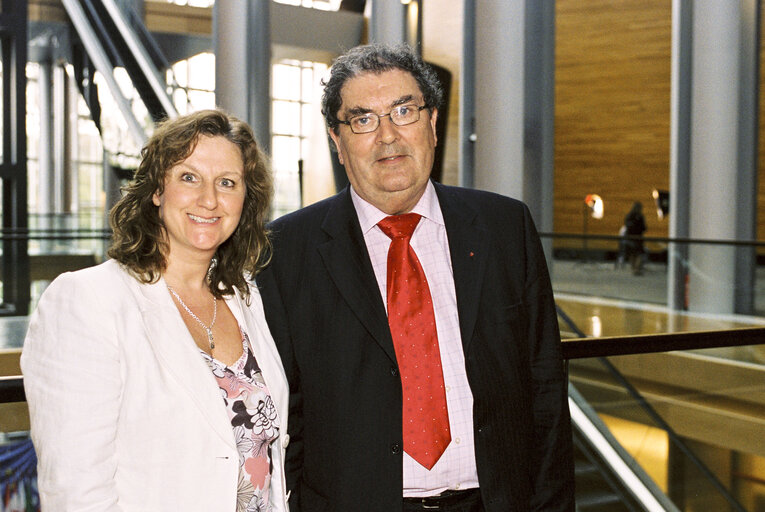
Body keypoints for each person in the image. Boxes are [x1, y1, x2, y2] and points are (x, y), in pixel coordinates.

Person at [257, 44, 574, 512]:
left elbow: (545, 389)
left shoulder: (505, 228)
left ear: (432, 123)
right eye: (363, 119)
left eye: (403, 111)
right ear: (337, 141)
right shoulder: (283, 252)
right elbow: (285, 418)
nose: (387, 136)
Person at [21, 109, 290, 512]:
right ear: (156, 191)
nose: (209, 199)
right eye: (189, 177)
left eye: (227, 182)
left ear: (245, 200)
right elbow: (75, 494)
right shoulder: (88, 301)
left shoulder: (245, 296)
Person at [623, 201, 647, 275]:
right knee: (636, 253)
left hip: (633, 237)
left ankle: (635, 268)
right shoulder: (636, 216)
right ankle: (635, 269)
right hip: (635, 238)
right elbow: (643, 227)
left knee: (635, 254)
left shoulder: (630, 216)